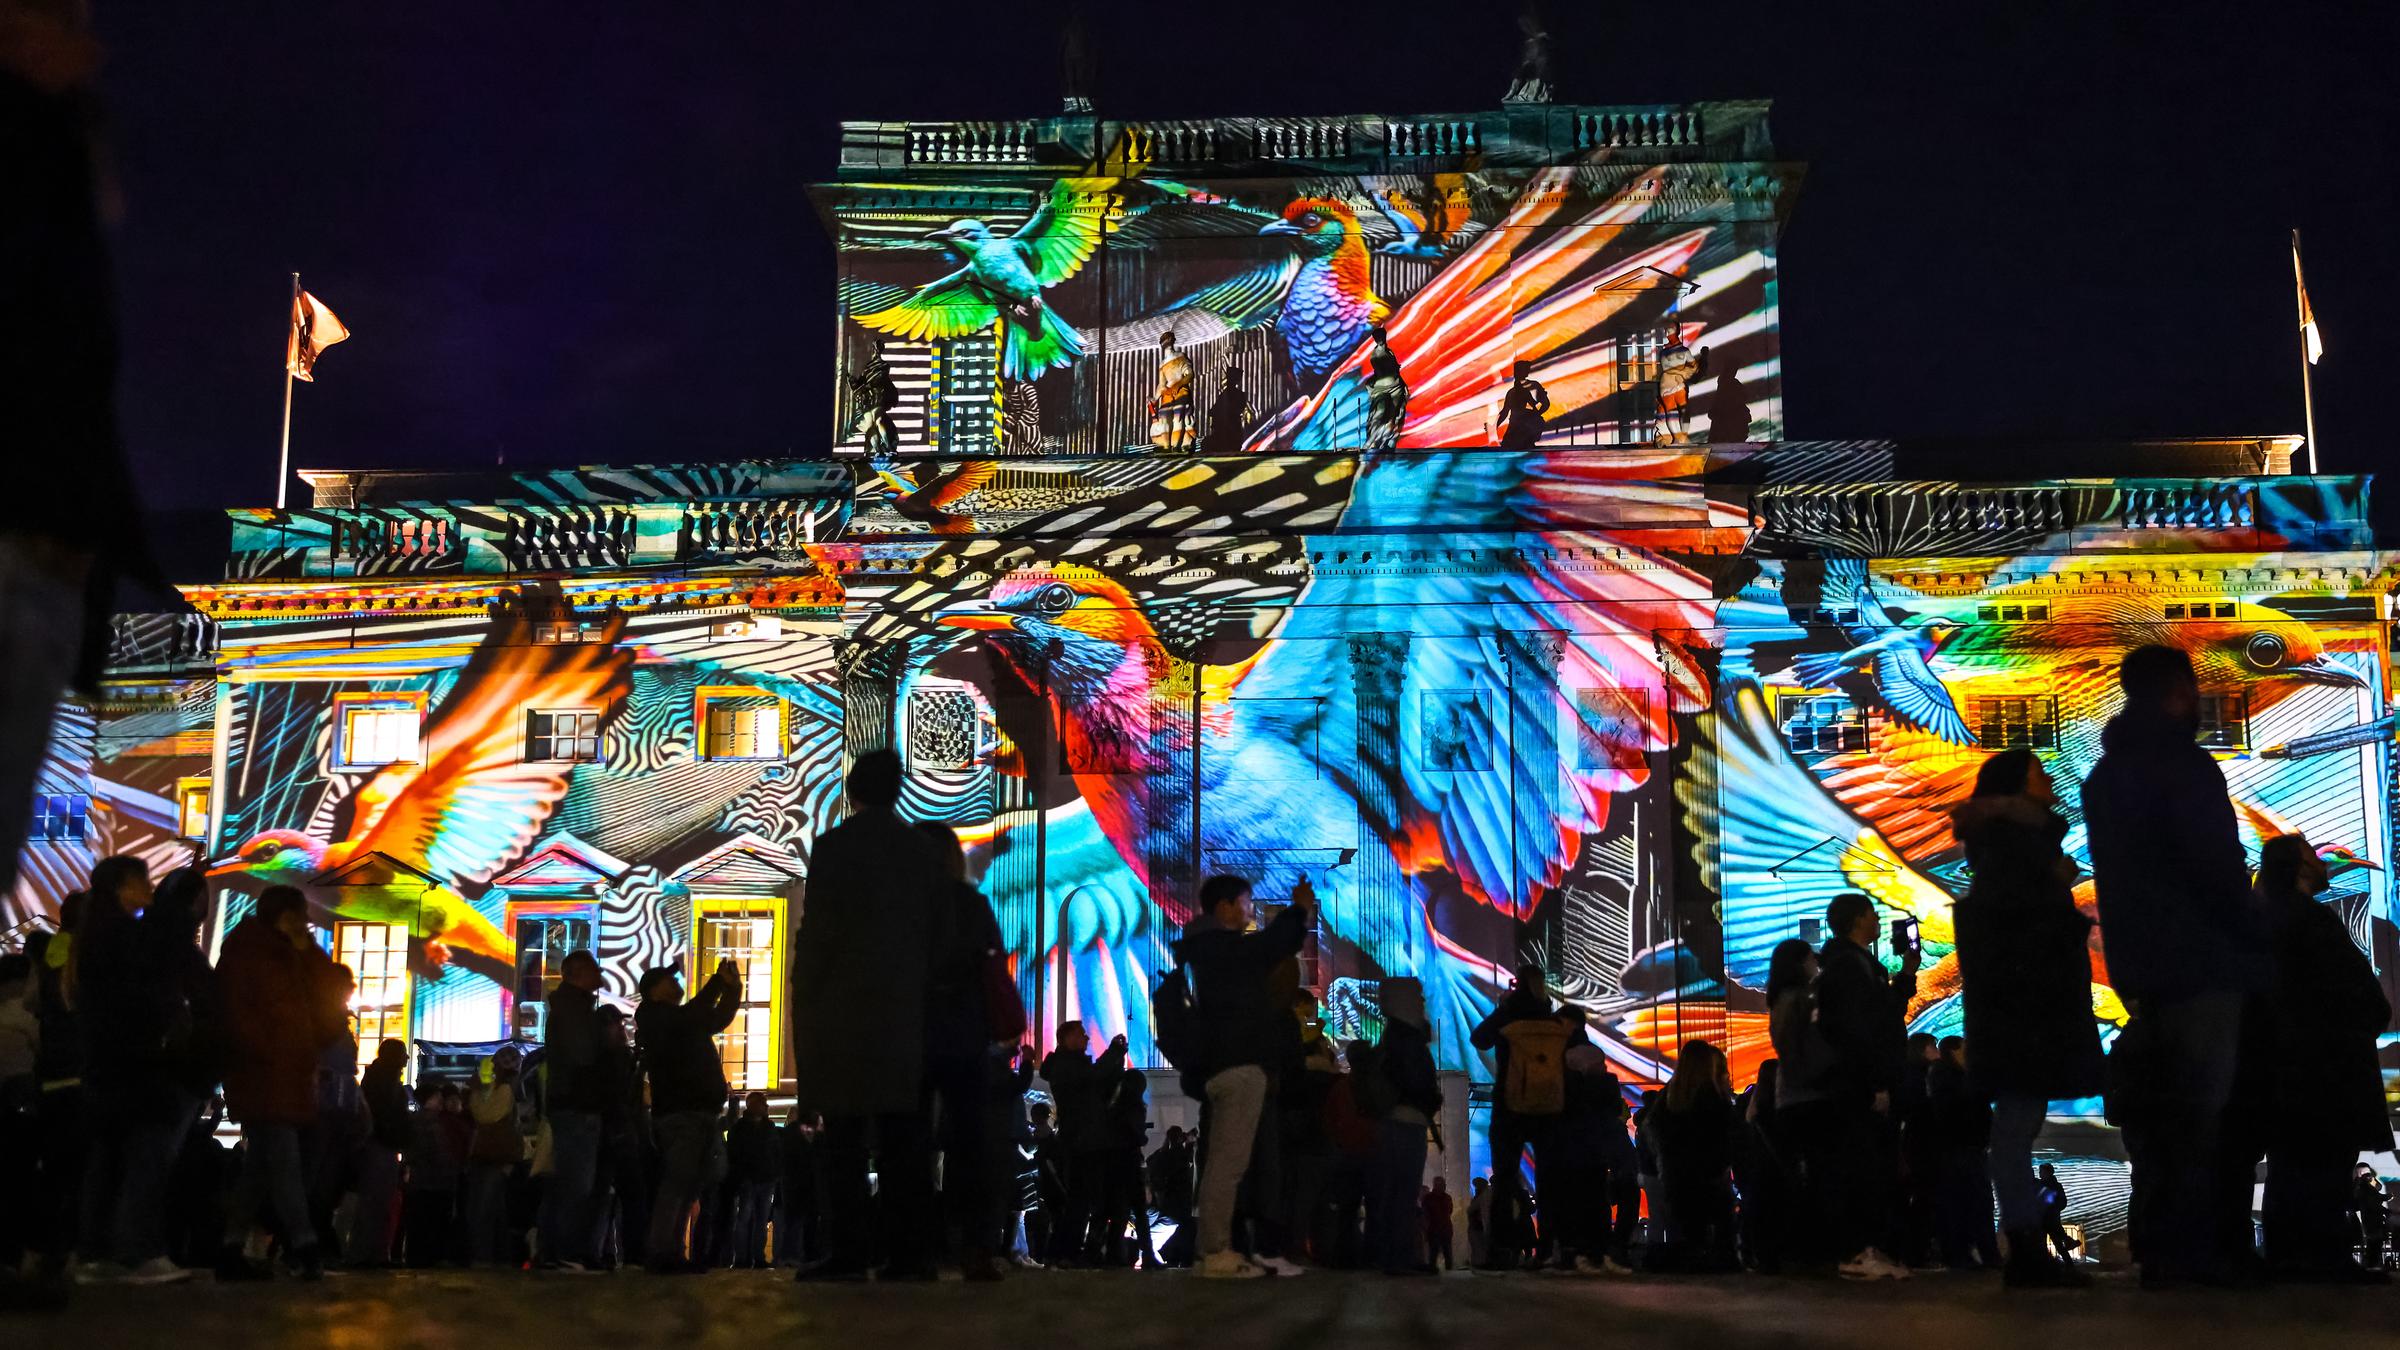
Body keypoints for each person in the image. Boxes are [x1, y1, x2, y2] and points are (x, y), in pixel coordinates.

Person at [2081, 644, 2271, 1288]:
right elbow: (2214, 865)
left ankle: (2162, 1250)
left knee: (2163, 1121)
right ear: (2178, 693)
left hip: (2141, 967)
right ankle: (2196, 1254)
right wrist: (2252, 938)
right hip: (2203, 960)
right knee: (2200, 1116)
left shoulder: (2107, 775)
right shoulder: (2186, 767)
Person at [1951, 746, 2104, 1287]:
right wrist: (2064, 902)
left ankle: (2024, 1248)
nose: (2048, 779)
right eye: (2038, 773)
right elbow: (2028, 928)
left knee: (2017, 1126)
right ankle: (2025, 1252)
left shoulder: (2003, 846)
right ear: (2017, 786)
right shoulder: (2016, 849)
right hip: (2028, 1012)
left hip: (2013, 1011)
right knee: (2016, 1129)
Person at [792, 748, 945, 1281]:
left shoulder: (834, 848)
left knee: (845, 1143)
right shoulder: (921, 852)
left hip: (846, 1014)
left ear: (853, 792)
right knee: (907, 1142)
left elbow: (818, 940)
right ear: (899, 792)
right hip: (908, 1014)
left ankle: (850, 1251)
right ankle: (910, 1255)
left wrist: (805, 1003)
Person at [2255, 834, 2392, 1281]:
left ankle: (2289, 1257)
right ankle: (2323, 1259)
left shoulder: (2262, 922)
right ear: (2297, 868)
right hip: (2327, 1070)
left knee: (2289, 1167)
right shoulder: (2312, 922)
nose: (2319, 863)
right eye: (2310, 856)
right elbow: (2359, 997)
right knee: (2324, 1167)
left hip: (2281, 1072)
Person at [1175, 872, 1314, 1278]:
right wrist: (1300, 909)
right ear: (1225, 907)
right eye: (1247, 903)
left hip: (1226, 1066)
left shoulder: (1207, 951)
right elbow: (1273, 945)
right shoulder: (1222, 949)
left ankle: (1218, 1249)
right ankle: (1216, 1251)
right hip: (1237, 1066)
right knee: (1228, 1164)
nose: (1251, 911)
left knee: (1228, 1162)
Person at [214, 886, 340, 1280]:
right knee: (284, 1163)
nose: (307, 922)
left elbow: (330, 992)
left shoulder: (287, 952)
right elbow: (236, 1013)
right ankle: (305, 1246)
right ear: (285, 915)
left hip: (283, 1072)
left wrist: (307, 949)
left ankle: (231, 1248)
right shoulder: (248, 953)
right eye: (301, 915)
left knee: (260, 1167)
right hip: (265, 1072)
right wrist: (267, 1052)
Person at [918, 819, 1012, 1279]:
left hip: (911, 1034)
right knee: (969, 1145)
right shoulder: (971, 904)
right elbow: (994, 961)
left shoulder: (902, 907)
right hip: (965, 1033)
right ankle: (974, 1249)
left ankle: (910, 1250)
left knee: (910, 1142)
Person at [1810, 894, 1920, 1281]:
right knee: (1862, 1166)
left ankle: (1868, 1248)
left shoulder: (1852, 964)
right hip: (1859, 1084)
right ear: (1858, 920)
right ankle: (1856, 1251)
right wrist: (1873, 1082)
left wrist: (1905, 976)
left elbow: (1882, 1014)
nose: (1878, 921)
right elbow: (1860, 1029)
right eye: (1873, 914)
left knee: (1873, 1166)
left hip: (1862, 1080)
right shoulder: (1848, 966)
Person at [635, 960, 741, 1273]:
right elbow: (700, 1015)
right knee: (679, 1180)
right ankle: (661, 1250)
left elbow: (714, 1018)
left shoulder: (677, 1019)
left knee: (688, 1182)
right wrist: (719, 984)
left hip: (696, 1109)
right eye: (669, 979)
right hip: (682, 1110)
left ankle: (671, 1251)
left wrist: (732, 989)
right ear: (653, 991)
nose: (676, 981)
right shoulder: (656, 1016)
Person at [1471, 962, 1562, 1269]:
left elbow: (1479, 1038)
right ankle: (1547, 1248)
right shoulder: (1550, 1017)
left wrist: (1502, 1008)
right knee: (1549, 1178)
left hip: (1510, 1103)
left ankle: (1501, 1250)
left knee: (1505, 1179)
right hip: (1548, 1104)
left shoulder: (1509, 1012)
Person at [1366, 977, 1440, 1276]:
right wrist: (1430, 1097)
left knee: (1397, 1190)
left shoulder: (1396, 1038)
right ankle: (1397, 1256)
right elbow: (1413, 1081)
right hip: (1405, 1120)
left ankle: (1395, 1254)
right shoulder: (1407, 1041)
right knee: (1401, 1190)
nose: (1422, 1001)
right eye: (1417, 996)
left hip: (1402, 1120)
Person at [538, 950, 607, 1271]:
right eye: (595, 969)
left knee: (568, 1183)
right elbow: (584, 1056)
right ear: (579, 973)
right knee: (576, 1183)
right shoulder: (574, 1011)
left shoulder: (569, 1008)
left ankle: (554, 1251)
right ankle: (565, 1251)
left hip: (572, 1103)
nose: (600, 974)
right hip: (578, 1104)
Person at [1039, 1019, 1126, 1266]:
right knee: (1081, 1199)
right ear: (1066, 1039)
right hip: (1082, 1141)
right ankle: (1065, 1252)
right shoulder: (1068, 1066)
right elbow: (1096, 1078)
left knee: (1080, 1199)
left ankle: (1061, 1252)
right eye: (1082, 1034)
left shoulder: (1064, 1066)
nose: (1087, 1038)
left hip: (1079, 1139)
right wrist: (1113, 1053)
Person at [1651, 1040, 1739, 1271]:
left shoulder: (1669, 1098)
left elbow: (1654, 1128)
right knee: (1722, 1223)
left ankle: (1691, 1265)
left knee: (1690, 1230)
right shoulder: (1712, 1098)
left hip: (1677, 1176)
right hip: (1710, 1176)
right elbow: (1726, 1135)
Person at [1924, 1037, 2000, 1270]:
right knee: (1974, 1200)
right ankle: (1976, 1253)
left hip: (1962, 1146)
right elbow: (1962, 1107)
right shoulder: (1950, 1076)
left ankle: (1965, 1253)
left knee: (1965, 1201)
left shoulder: (1946, 1074)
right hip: (1963, 1146)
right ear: (1955, 1051)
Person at [463, 1044, 525, 1267]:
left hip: (494, 1158)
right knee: (495, 1210)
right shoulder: (510, 1088)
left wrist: (476, 1091)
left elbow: (486, 1116)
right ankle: (500, 1256)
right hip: (497, 1158)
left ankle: (483, 1256)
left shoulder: (505, 1089)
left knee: (483, 1209)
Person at [352, 1038, 411, 1267]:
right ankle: (369, 1253)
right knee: (376, 1201)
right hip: (380, 1145)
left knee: (378, 1202)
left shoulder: (377, 1078)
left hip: (380, 1144)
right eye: (402, 1055)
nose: (406, 1060)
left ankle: (371, 1253)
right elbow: (388, 1116)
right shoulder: (385, 1082)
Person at [404, 1081, 465, 1267]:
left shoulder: (416, 1120)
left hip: (421, 1181)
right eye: (437, 1097)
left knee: (420, 1223)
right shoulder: (433, 1123)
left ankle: (417, 1258)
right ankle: (432, 1258)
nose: (441, 1100)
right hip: (436, 1182)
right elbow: (439, 1154)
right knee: (434, 1222)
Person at [723, 1092, 782, 1269]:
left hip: (759, 1178)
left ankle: (748, 1257)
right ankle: (750, 1257)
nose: (766, 1107)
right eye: (763, 1104)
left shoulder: (743, 1127)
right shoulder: (763, 1127)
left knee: (750, 1219)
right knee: (753, 1219)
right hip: (754, 1178)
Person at [1148, 1125, 1197, 1268]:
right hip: (1180, 1199)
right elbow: (1183, 1159)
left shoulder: (1163, 1155)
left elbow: (1152, 1161)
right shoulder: (1178, 1154)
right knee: (1184, 1230)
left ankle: (1173, 1258)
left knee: (1175, 1231)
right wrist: (1189, 1142)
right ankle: (1183, 1259)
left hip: (1169, 1199)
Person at [1362, 325, 1409, 451]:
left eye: (1383, 336)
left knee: (1393, 416)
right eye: (1380, 337)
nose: (1382, 338)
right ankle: (1372, 442)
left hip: (1396, 386)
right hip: (1383, 387)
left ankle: (1387, 442)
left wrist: (1402, 385)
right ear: (1376, 339)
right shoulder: (1376, 354)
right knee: (1380, 414)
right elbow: (1382, 371)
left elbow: (1394, 370)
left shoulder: (1388, 351)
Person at [1148, 330, 1195, 451]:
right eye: (1163, 339)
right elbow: (1161, 384)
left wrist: (1178, 385)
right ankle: (1166, 446)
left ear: (1172, 340)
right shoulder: (1162, 364)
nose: (1166, 341)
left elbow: (1189, 375)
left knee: (1178, 418)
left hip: (1181, 392)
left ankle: (1177, 446)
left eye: (1167, 338)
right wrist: (1155, 398)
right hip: (1167, 394)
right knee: (1164, 418)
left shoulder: (1181, 356)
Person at [1494, 359, 1550, 449]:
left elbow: (1545, 404)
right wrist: (1495, 426)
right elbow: (1505, 412)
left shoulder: (1533, 386)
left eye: (1520, 370)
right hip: (1515, 429)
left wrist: (1534, 417)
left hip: (1526, 428)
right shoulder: (1511, 392)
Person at [1200, 367, 1250, 454]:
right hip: (1229, 430)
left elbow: (1214, 411)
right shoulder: (1236, 394)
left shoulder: (1233, 394)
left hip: (1228, 430)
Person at [2038, 1164, 2079, 1265]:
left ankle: (2047, 1267)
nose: (2039, 1173)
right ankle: (2069, 1264)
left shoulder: (2043, 1185)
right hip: (2051, 1220)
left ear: (2047, 1172)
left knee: (2046, 1245)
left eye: (2041, 1171)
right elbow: (2062, 1202)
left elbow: (2057, 1202)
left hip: (2046, 1220)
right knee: (2058, 1245)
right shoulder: (2055, 1185)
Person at [1422, 1175, 1455, 1273]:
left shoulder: (1430, 1198)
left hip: (1440, 1228)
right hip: (1438, 1227)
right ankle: (1437, 1269)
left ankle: (1439, 1269)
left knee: (1442, 1251)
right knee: (1437, 1251)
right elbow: (1449, 1211)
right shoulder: (1443, 1197)